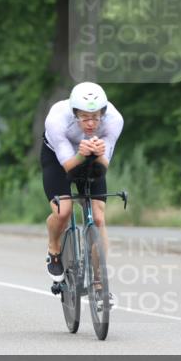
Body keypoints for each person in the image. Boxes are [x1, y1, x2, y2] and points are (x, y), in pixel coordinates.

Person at [41, 81, 124, 287]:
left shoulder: (114, 120)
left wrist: (98, 153)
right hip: (58, 157)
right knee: (63, 210)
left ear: (103, 113)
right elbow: (69, 166)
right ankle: (54, 248)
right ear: (75, 114)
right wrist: (81, 153)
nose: (90, 123)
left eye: (95, 117)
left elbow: (102, 168)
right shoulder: (57, 119)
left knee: (98, 216)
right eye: (85, 117)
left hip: (92, 153)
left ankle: (99, 284)